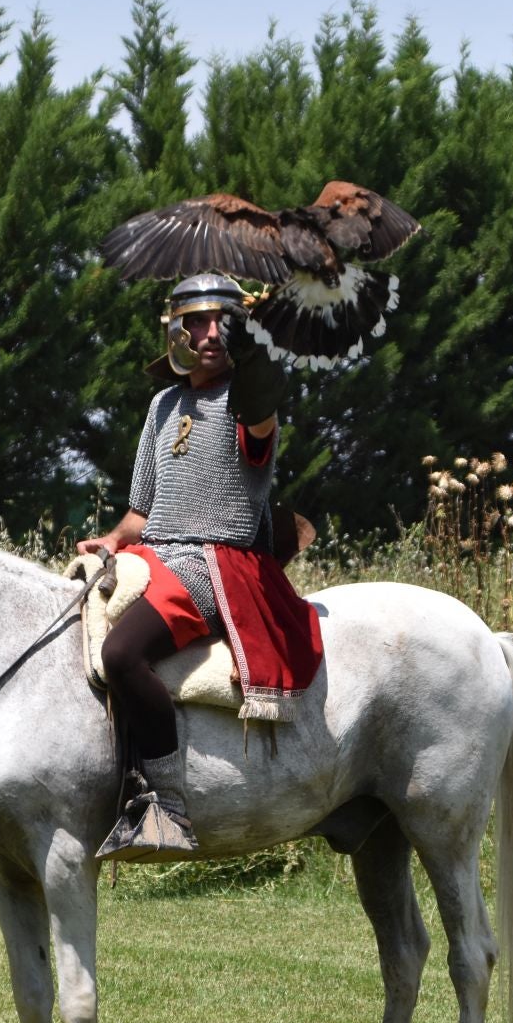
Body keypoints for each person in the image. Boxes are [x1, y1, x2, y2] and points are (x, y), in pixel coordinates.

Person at [76, 273, 319, 861]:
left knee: (121, 655)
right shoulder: (162, 405)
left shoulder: (249, 404)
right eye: (199, 322)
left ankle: (166, 806)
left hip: (216, 565)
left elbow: (262, 412)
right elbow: (141, 513)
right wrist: (108, 540)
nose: (211, 335)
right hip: (153, 554)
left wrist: (262, 347)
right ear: (176, 330)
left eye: (225, 323)